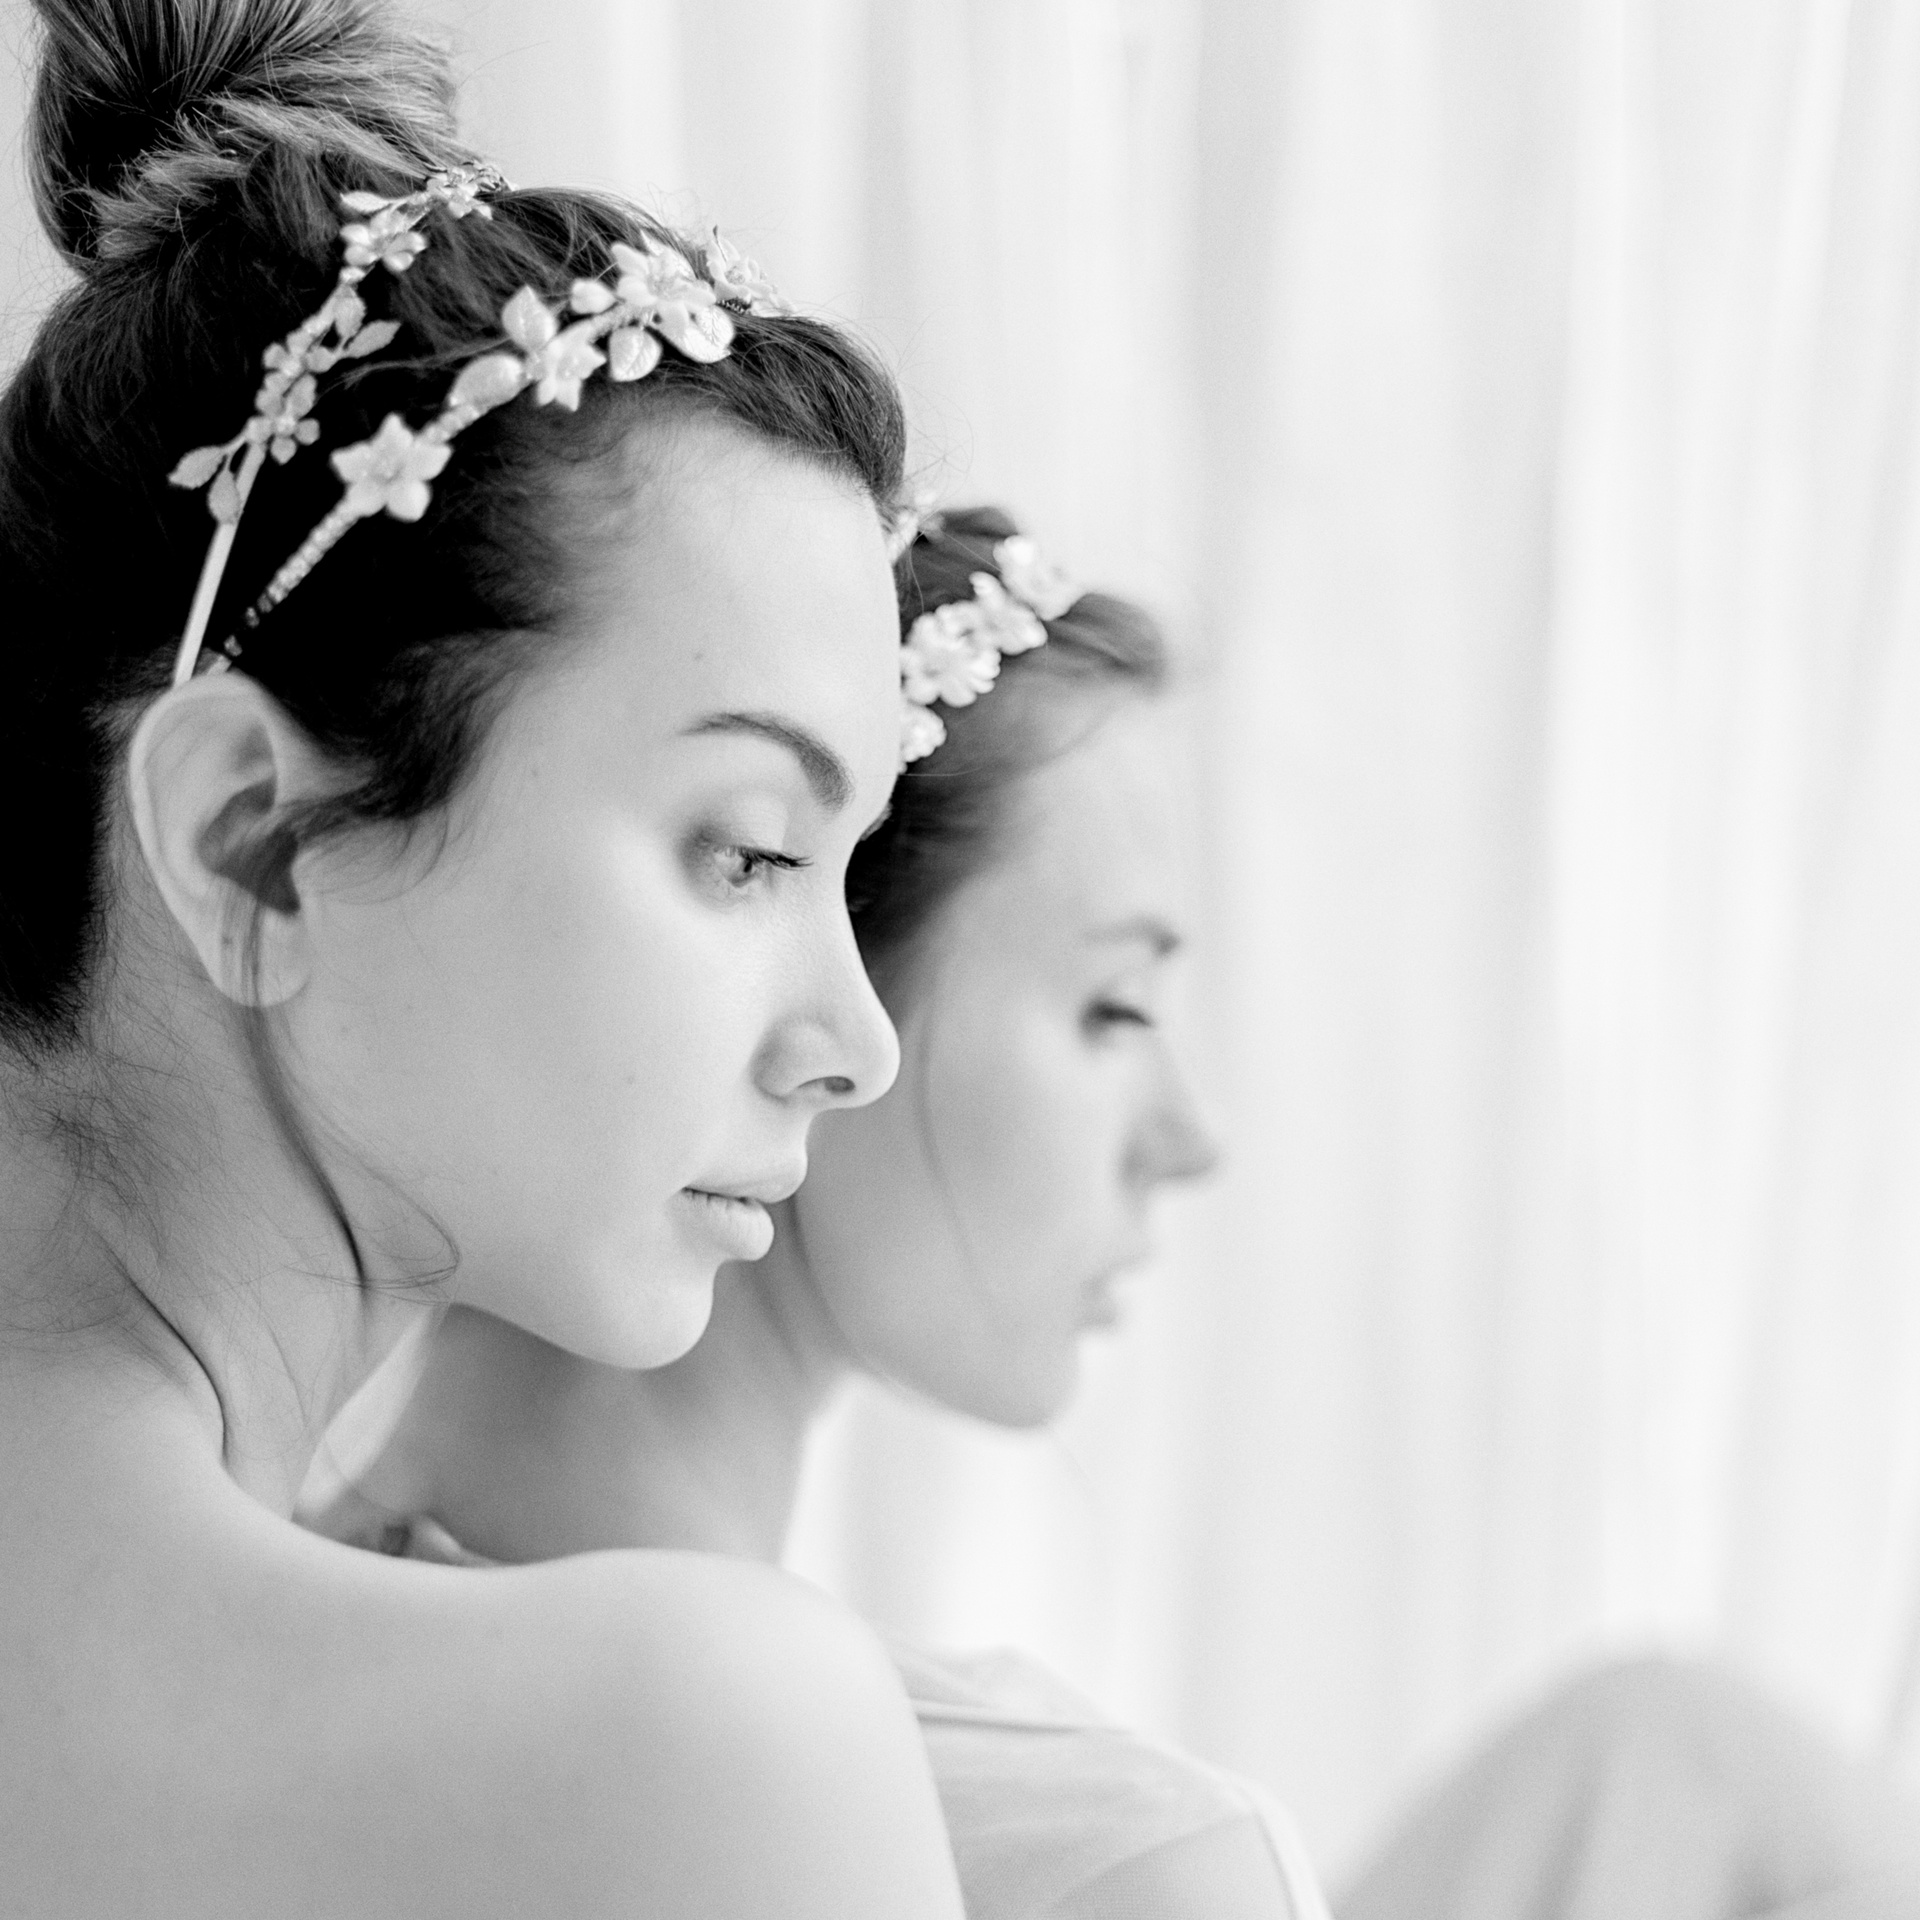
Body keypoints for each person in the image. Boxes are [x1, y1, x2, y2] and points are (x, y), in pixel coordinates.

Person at [0, 0, 971, 1913]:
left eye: (847, 871)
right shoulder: (679, 1748)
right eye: (748, 851)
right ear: (254, 838)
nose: (856, 1041)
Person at [316, 504, 1334, 1918]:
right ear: (812, 998)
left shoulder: (178, 1641)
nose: (1191, 1137)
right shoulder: (1123, 1861)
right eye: (1115, 1008)